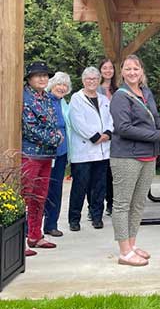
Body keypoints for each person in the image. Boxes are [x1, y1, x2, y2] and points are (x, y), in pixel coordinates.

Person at [110, 54, 160, 266]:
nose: (132, 72)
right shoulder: (120, 96)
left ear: (141, 71)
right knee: (122, 204)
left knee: (138, 203)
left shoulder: (146, 92)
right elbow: (123, 128)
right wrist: (156, 136)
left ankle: (132, 244)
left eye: (135, 69)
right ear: (122, 73)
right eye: (127, 69)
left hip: (148, 155)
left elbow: (154, 118)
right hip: (126, 157)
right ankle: (124, 251)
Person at [21, 61, 63, 254]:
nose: (42, 78)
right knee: (25, 197)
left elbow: (53, 121)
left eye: (45, 75)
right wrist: (55, 138)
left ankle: (35, 235)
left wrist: (56, 135)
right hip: (29, 155)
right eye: (38, 75)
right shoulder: (25, 97)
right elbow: (30, 128)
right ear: (29, 78)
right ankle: (20, 240)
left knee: (40, 197)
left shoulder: (47, 97)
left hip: (47, 155)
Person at [68, 67, 113, 231]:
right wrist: (94, 136)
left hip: (102, 151)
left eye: (95, 79)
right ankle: (74, 219)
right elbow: (77, 122)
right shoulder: (76, 99)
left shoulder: (104, 99)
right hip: (84, 151)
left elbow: (110, 119)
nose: (91, 81)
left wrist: (107, 133)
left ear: (99, 80)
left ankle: (97, 216)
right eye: (88, 79)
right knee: (80, 187)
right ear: (83, 81)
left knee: (99, 187)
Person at [42, 72, 71, 238]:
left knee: (56, 189)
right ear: (51, 85)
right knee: (40, 189)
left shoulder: (64, 103)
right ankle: (32, 226)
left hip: (61, 153)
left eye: (65, 85)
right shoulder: (44, 101)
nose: (62, 88)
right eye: (59, 84)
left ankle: (51, 224)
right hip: (46, 153)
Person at [98, 58, 118, 216]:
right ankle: (99, 203)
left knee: (113, 172)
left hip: (117, 134)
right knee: (101, 173)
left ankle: (112, 202)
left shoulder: (118, 89)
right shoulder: (96, 89)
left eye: (110, 68)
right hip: (101, 135)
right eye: (105, 68)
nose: (108, 70)